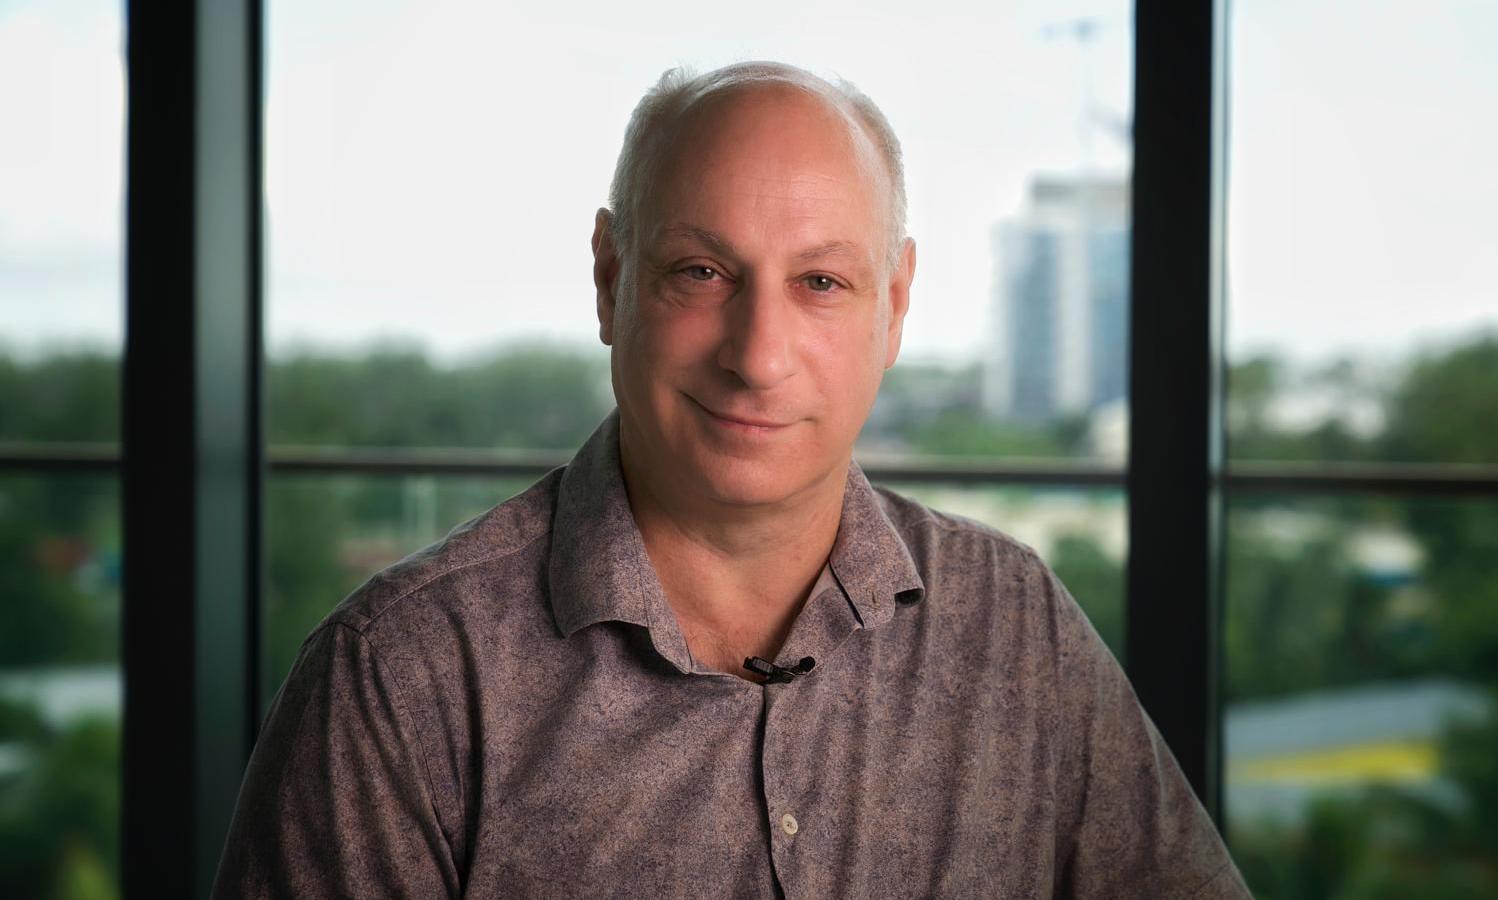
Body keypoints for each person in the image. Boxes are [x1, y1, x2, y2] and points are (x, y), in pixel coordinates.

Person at [211, 61, 1251, 898]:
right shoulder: (398, 680)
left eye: (820, 283)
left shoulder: (1016, 625)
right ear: (610, 279)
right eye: (701, 273)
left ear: (894, 307)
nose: (757, 355)